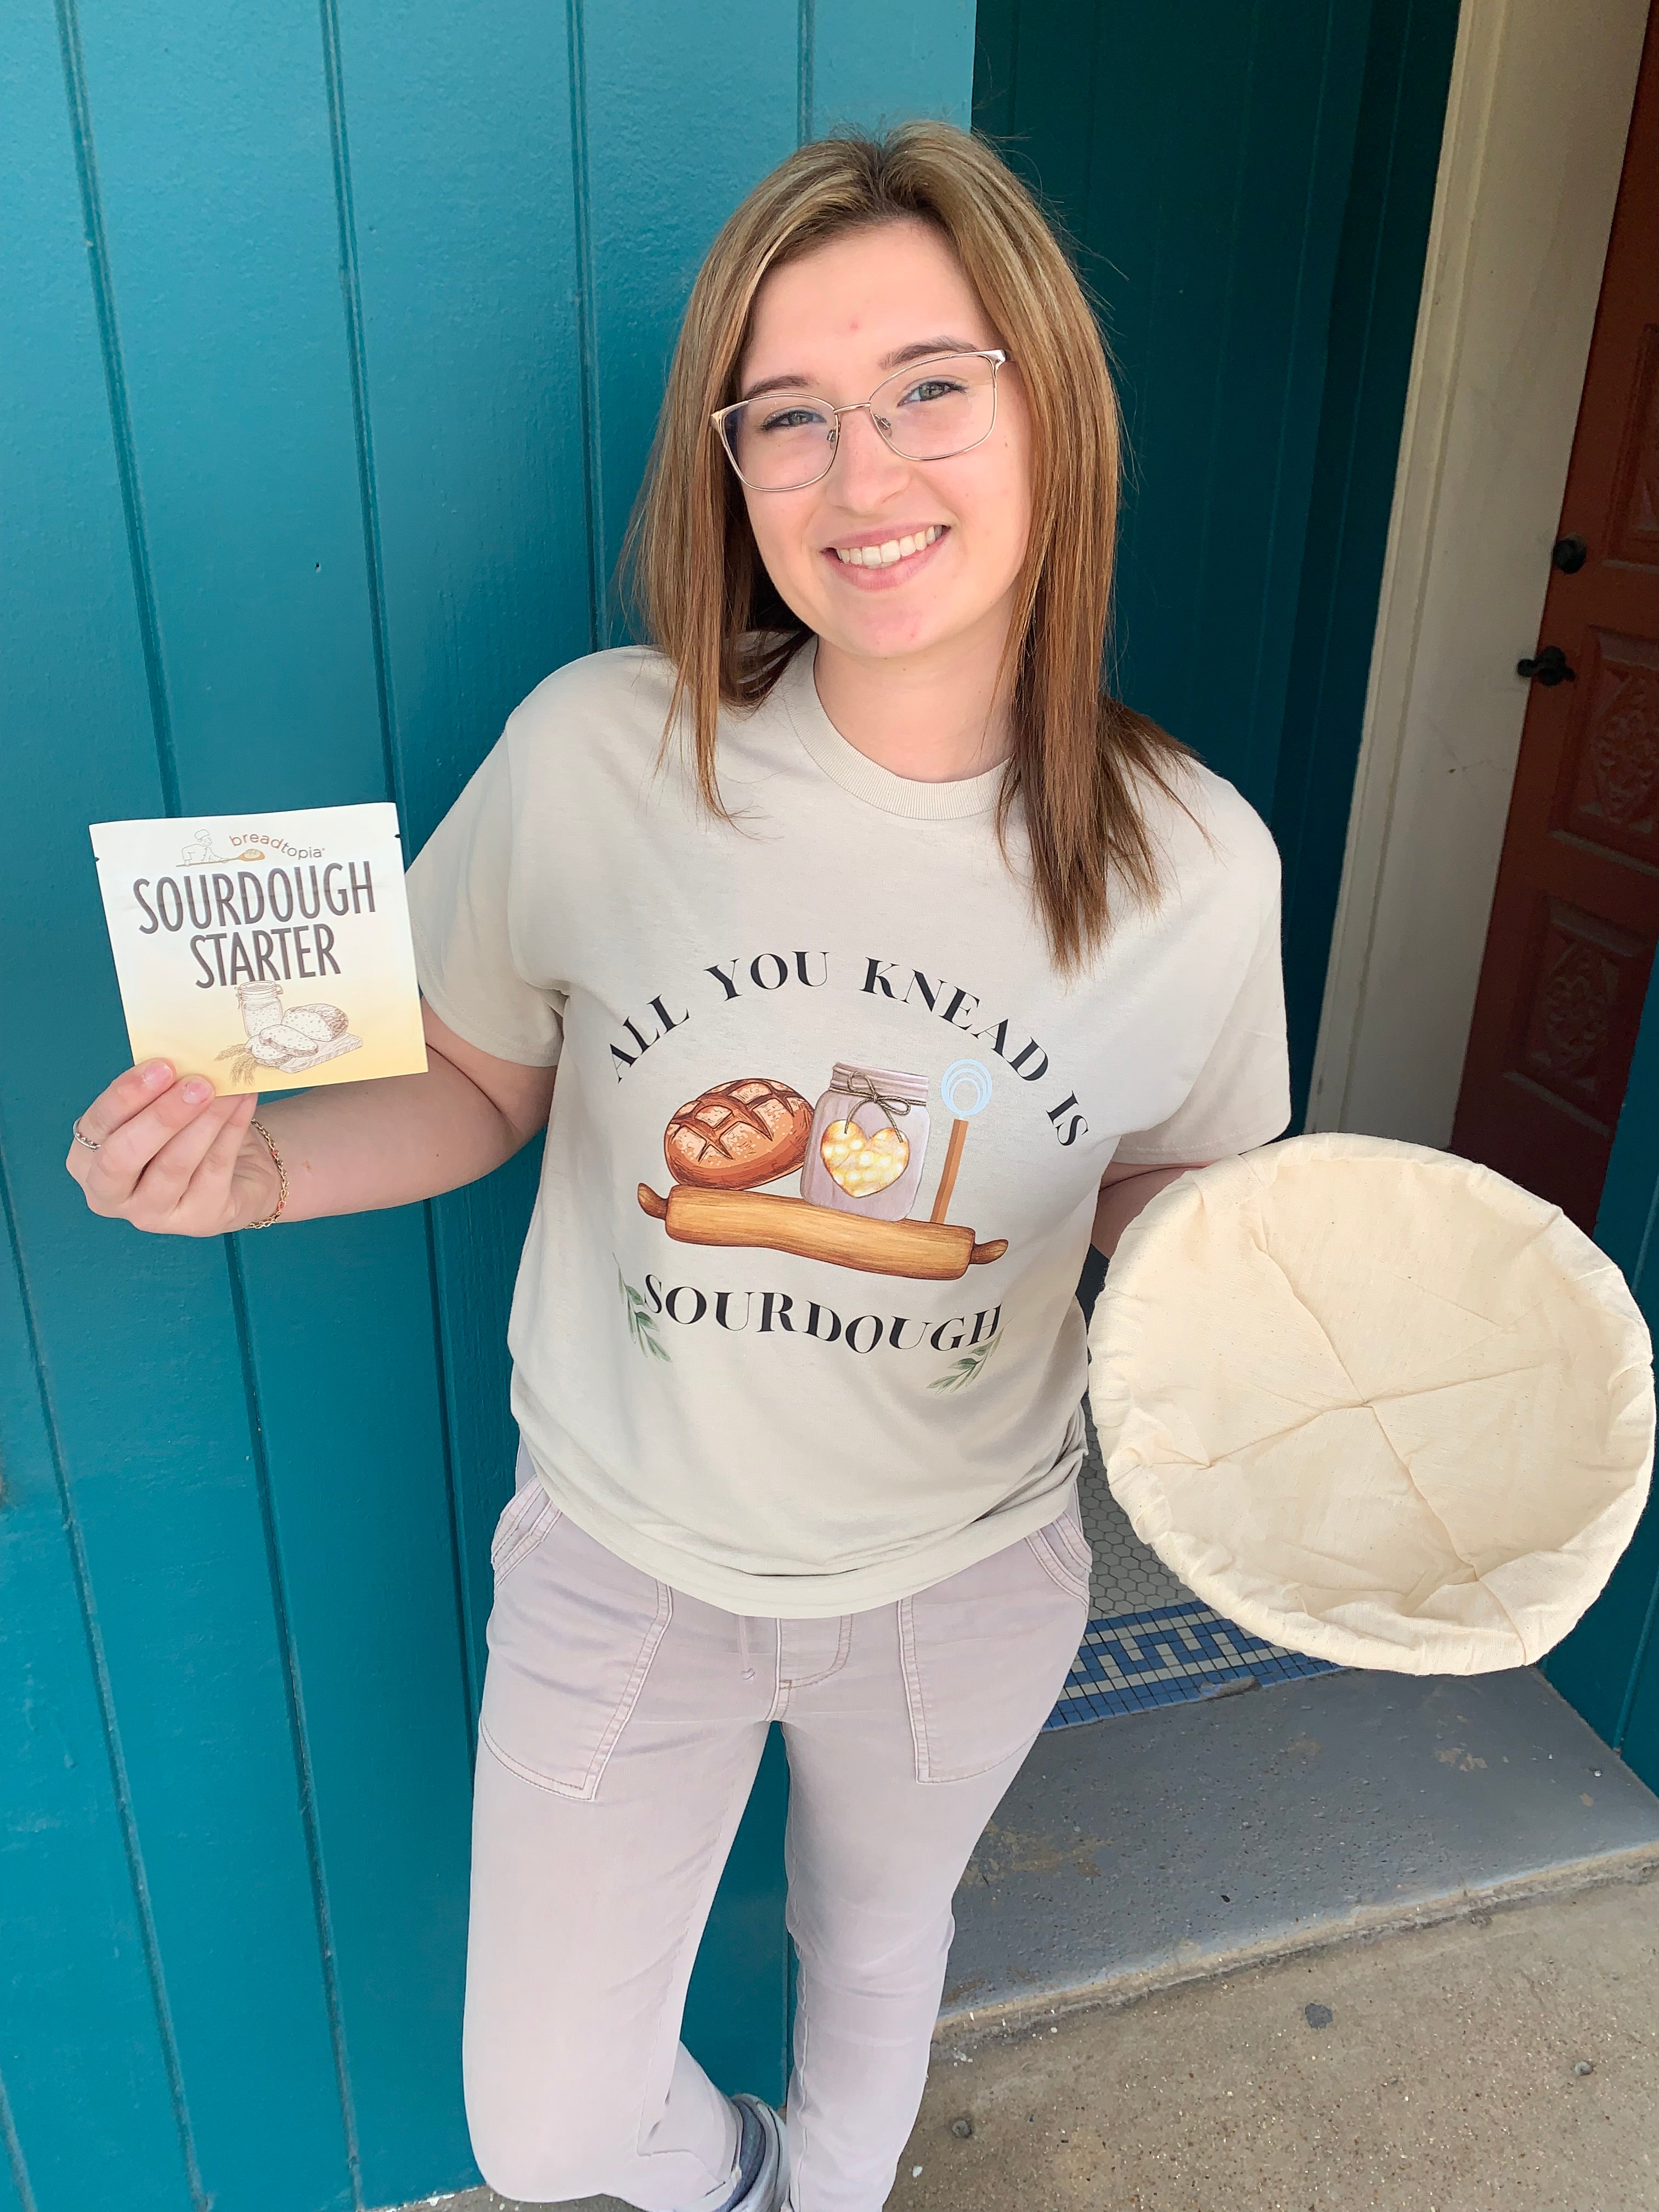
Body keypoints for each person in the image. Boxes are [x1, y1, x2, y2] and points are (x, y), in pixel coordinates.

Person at [66, 122, 1288, 2212]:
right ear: (731, 473)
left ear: (1051, 409)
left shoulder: (1195, 858)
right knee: (544, 2133)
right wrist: (253, 1177)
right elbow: (468, 1080)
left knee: (878, 1958)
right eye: (787, 420)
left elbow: (1189, 1214)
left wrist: (1288, 1312)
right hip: (622, 1559)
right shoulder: (599, 752)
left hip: (962, 1577)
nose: (860, 476)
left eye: (928, 386)